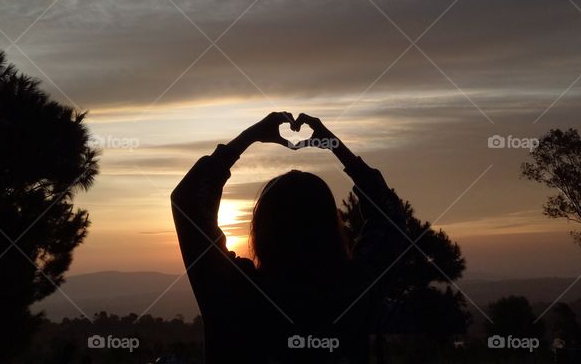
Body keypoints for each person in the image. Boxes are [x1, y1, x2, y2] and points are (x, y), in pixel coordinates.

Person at [171, 112, 407, 363]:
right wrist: (336, 147)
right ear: (331, 230)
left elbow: (189, 202)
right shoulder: (355, 291)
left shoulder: (234, 291)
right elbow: (389, 217)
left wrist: (250, 136)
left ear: (262, 230)